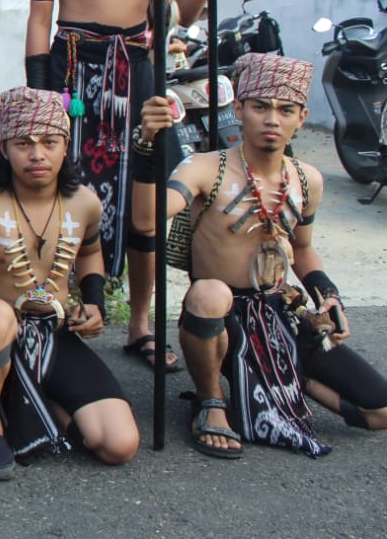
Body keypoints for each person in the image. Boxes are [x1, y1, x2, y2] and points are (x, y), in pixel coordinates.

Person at [25, 0, 233, 371]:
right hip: (74, 70)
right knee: (62, 193)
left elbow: (184, 12)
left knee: (145, 207)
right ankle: (65, 308)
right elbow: (39, 16)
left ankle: (141, 323)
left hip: (138, 73)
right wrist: (40, 91)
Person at [133, 52, 387, 458]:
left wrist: (329, 295)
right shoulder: (202, 168)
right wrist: (146, 147)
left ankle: (284, 377)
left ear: (301, 117)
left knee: (379, 410)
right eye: (260, 107)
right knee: (209, 294)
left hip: (278, 316)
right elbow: (146, 222)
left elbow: (302, 249)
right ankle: (210, 400)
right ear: (238, 109)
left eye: (286, 110)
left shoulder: (307, 179)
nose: (272, 119)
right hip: (221, 316)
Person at [0, 86, 138, 480]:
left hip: (52, 332)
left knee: (118, 444)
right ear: (5, 148)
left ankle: (37, 403)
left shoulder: (84, 202)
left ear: (65, 146)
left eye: (49, 142)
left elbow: (90, 253)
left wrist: (93, 301)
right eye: (23, 142)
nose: (37, 154)